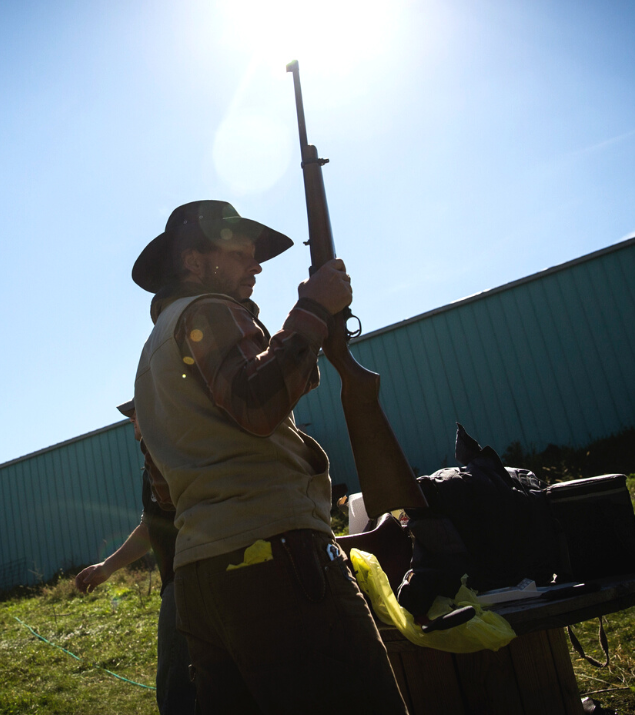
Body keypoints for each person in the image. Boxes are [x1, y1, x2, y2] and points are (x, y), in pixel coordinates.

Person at [132, 200, 408, 714]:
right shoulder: (208, 311)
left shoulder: (151, 356)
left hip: (201, 579)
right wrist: (314, 312)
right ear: (194, 263)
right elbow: (257, 404)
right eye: (239, 254)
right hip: (274, 559)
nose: (255, 266)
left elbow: (165, 490)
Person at [74, 400, 196, 715]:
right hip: (191, 575)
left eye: (136, 413)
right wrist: (107, 567)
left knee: (175, 688)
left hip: (187, 579)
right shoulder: (159, 460)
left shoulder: (168, 452)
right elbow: (149, 528)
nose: (132, 420)